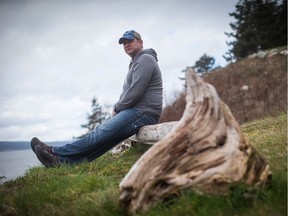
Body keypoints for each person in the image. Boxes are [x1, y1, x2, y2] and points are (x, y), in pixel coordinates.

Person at [31, 30, 163, 167]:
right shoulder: (136, 62)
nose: (126, 45)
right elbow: (128, 91)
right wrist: (120, 107)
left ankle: (54, 152)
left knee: (100, 133)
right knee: (106, 141)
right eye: (124, 43)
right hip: (138, 111)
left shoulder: (145, 59)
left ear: (140, 43)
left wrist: (118, 107)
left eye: (130, 41)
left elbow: (135, 91)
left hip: (143, 112)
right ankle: (62, 162)